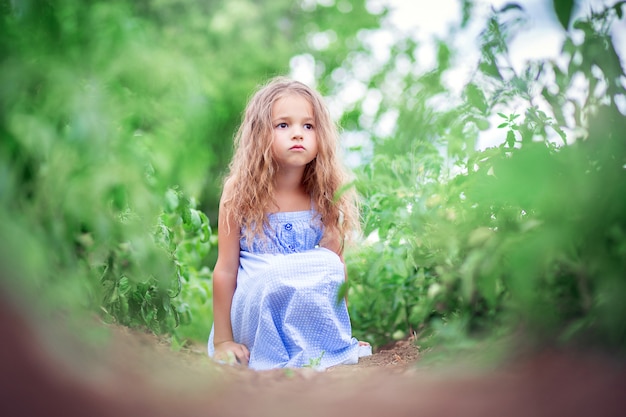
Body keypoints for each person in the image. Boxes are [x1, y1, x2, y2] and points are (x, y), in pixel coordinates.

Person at [207, 76, 371, 370]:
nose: (298, 134)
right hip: (255, 307)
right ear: (260, 134)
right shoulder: (239, 190)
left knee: (331, 263)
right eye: (283, 125)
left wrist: (343, 335)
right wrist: (222, 342)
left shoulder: (324, 194)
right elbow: (226, 269)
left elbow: (334, 273)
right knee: (278, 274)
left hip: (302, 310)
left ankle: (326, 343)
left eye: (308, 126)